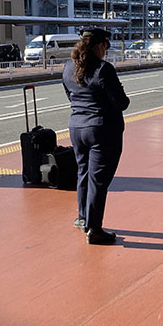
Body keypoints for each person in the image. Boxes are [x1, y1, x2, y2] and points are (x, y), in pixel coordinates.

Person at [62, 27, 130, 245]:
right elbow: (122, 103)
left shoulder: (68, 67)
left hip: (77, 128)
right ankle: (95, 229)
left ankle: (83, 218)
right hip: (102, 130)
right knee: (98, 181)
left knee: (83, 172)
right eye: (105, 48)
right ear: (100, 45)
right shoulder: (104, 69)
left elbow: (70, 96)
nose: (105, 52)